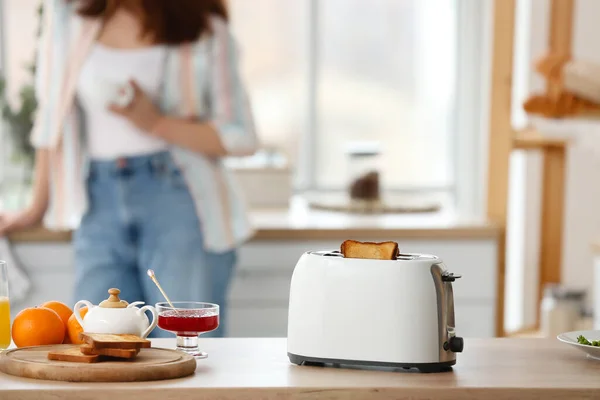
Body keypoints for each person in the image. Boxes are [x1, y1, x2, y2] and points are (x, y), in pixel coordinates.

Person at [0, 0, 257, 338]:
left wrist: (155, 122)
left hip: (183, 204)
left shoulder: (203, 25)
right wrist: (37, 207)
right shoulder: (68, 15)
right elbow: (52, 117)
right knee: (96, 349)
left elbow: (242, 136)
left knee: (186, 354)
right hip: (97, 202)